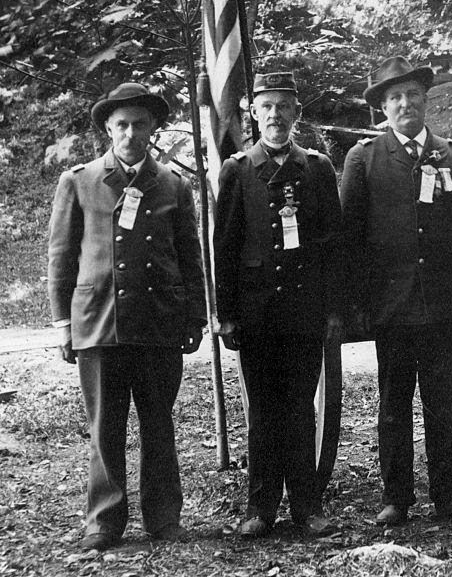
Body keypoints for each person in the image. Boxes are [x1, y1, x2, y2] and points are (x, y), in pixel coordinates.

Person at [47, 83, 206, 552]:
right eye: (122, 125)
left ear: (153, 128)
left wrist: (194, 316)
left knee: (159, 422)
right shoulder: (79, 180)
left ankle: (162, 516)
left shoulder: (174, 184)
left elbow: (190, 257)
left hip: (159, 322)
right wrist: (62, 324)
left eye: (140, 124)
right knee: (105, 426)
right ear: (109, 129)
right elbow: (61, 256)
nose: (130, 133)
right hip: (99, 321)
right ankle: (104, 520)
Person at [340, 55, 452, 526]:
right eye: (396, 97)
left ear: (426, 101)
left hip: (442, 307)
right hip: (393, 307)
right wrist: (358, 304)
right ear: (383, 107)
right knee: (393, 405)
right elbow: (351, 240)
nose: (406, 104)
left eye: (414, 96)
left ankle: (448, 495)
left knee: (442, 403)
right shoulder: (364, 160)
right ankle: (397, 498)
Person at [214, 71, 343, 538]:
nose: (275, 116)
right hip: (257, 315)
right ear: (253, 112)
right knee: (264, 411)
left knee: (300, 408)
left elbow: (333, 245)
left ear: (297, 114)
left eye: (284, 107)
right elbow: (225, 246)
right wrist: (226, 314)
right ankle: (260, 509)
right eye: (267, 107)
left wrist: (332, 309)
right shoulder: (238, 170)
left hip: (306, 313)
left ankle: (307, 508)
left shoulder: (318, 169)